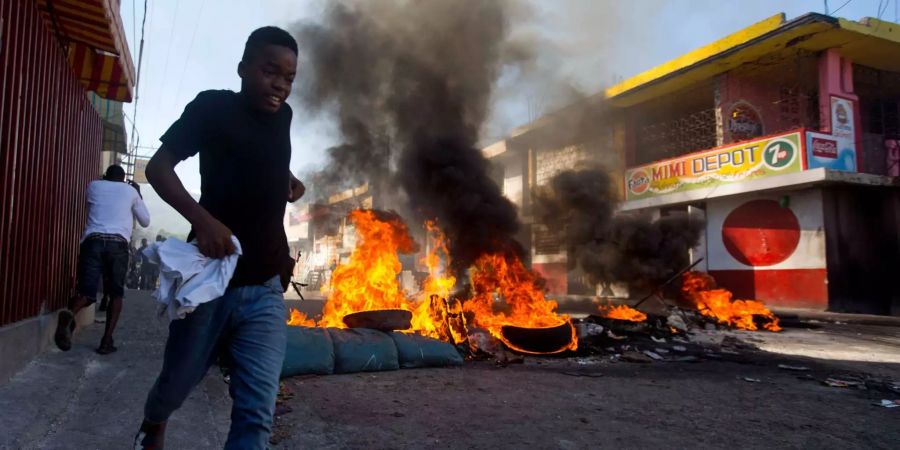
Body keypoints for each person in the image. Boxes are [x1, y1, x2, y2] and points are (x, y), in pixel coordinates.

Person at [133, 27, 305, 449]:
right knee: (175, 385)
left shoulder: (283, 116)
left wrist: (286, 178)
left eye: (289, 77)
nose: (280, 84)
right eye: (270, 71)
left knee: (256, 413)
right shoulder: (212, 108)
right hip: (210, 280)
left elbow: (261, 155)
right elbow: (158, 169)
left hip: (265, 285)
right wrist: (203, 221)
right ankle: (154, 421)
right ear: (243, 68)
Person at [54, 165, 151, 354]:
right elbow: (145, 221)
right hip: (117, 244)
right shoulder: (131, 191)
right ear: (124, 179)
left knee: (86, 292)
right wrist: (138, 195)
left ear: (106, 176)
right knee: (116, 294)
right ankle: (106, 341)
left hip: (93, 241)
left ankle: (70, 315)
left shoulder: (94, 186)